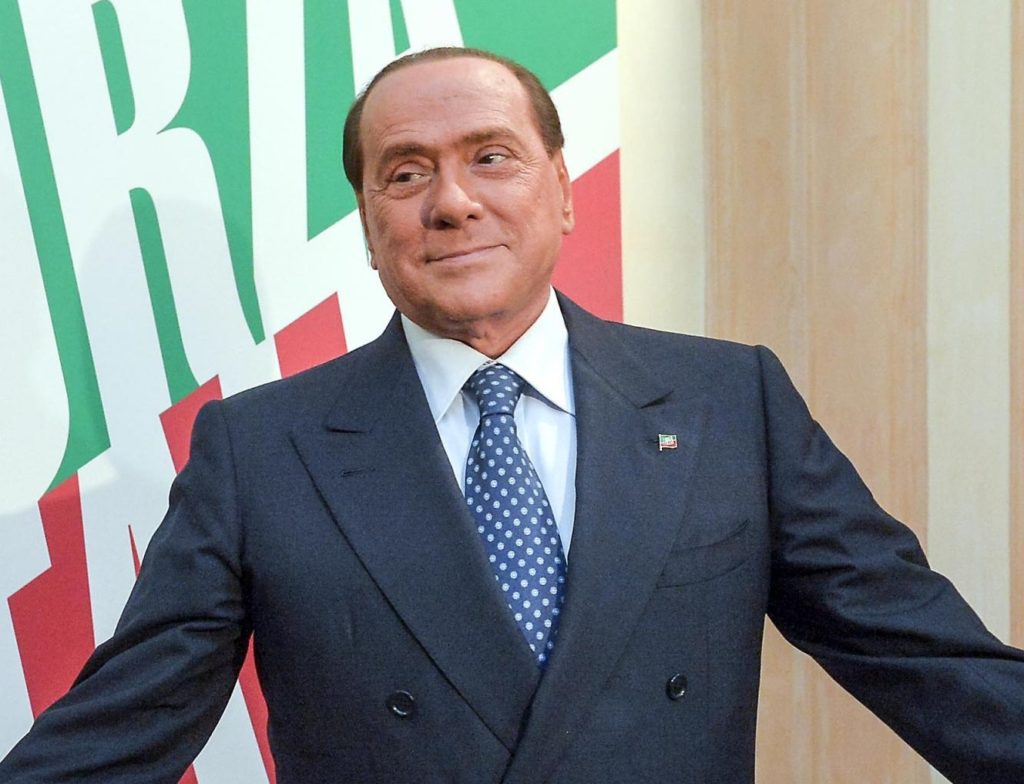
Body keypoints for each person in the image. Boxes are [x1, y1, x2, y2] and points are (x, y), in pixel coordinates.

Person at [2, 46, 1023, 784]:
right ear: (368, 229)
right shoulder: (261, 449)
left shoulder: (728, 404)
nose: (452, 201)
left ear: (563, 191)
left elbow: (926, 659)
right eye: (406, 173)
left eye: (491, 156)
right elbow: (124, 728)